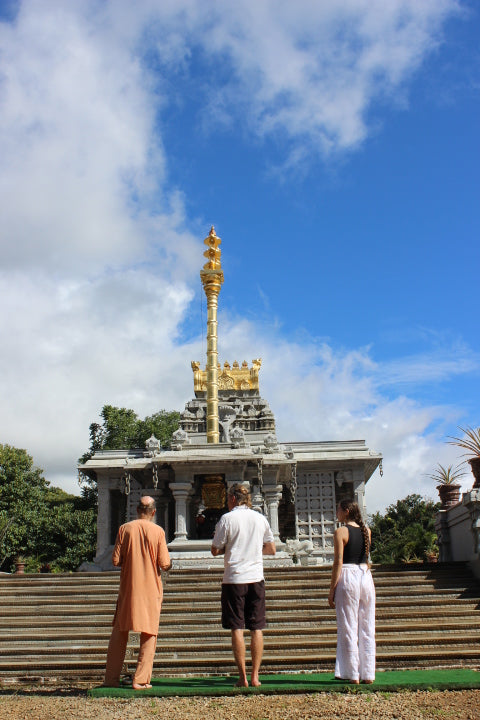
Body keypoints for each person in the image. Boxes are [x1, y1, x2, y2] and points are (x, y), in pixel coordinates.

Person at [211, 483, 276, 688]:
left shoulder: (227, 519)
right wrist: (254, 552)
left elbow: (215, 549)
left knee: (237, 627)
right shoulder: (260, 518)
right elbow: (271, 548)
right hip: (256, 577)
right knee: (256, 627)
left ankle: (243, 677)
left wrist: (229, 551)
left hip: (234, 579)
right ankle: (255, 676)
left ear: (232, 499)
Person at [103, 496, 172, 690]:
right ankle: (140, 679)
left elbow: (115, 561)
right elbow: (164, 563)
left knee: (119, 633)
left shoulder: (125, 529)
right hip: (150, 589)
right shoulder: (158, 531)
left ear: (136, 509)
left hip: (128, 589)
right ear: (154, 511)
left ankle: (111, 679)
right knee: (149, 634)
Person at [328, 499, 375, 684]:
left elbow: (338, 561)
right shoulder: (367, 531)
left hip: (348, 574)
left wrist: (332, 589)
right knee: (367, 624)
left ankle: (352, 673)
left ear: (346, 511)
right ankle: (368, 672)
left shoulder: (341, 531)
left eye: (338, 509)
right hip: (365, 575)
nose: (337, 513)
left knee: (348, 625)